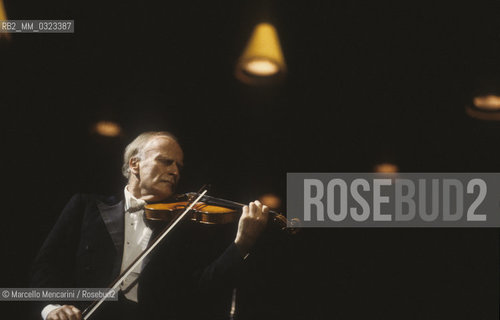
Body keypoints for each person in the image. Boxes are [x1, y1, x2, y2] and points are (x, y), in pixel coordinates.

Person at [30, 131, 269, 320]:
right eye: (165, 162)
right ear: (135, 164)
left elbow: (201, 289)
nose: (175, 171)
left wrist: (241, 244)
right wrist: (51, 307)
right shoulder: (86, 207)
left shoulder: (179, 229)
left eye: (178, 166)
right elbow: (47, 265)